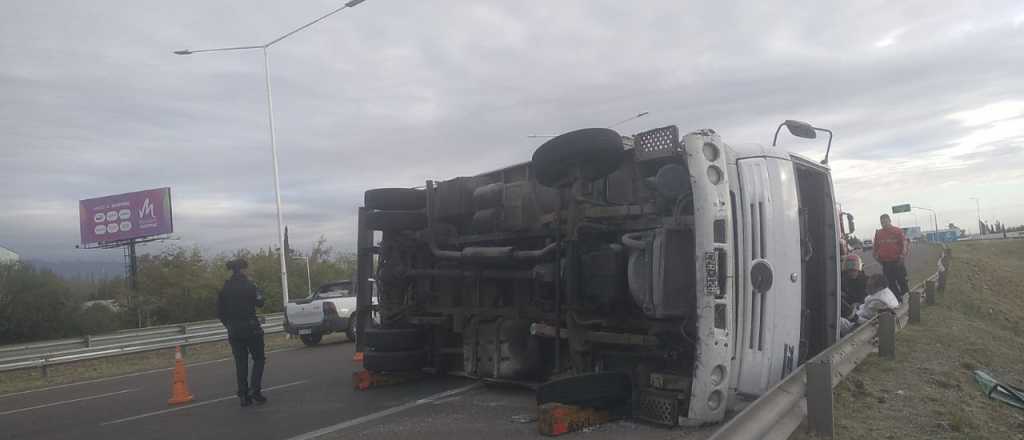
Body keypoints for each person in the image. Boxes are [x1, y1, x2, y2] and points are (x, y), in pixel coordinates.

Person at [217, 258, 267, 407]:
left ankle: (243, 395)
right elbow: (260, 302)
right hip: (252, 328)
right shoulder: (250, 285)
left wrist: (229, 325)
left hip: (234, 330)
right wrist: (258, 290)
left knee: (241, 362)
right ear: (244, 269)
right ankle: (255, 390)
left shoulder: (225, 288)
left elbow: (220, 312)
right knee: (259, 359)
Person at [873, 214, 909, 303]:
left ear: (889, 220)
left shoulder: (897, 231)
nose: (884, 224)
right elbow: (875, 248)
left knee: (902, 281)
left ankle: (907, 300)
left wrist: (902, 256)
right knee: (890, 284)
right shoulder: (878, 233)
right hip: (885, 263)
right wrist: (878, 258)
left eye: (885, 222)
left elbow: (904, 244)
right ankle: (897, 301)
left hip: (897, 261)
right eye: (882, 222)